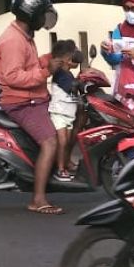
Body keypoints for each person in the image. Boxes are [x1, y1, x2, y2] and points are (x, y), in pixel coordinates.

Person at [0, 0, 64, 215]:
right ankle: (38, 199)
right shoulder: (14, 40)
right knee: (50, 142)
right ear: (31, 14)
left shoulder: (24, 36)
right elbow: (12, 77)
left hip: (34, 98)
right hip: (22, 102)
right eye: (42, 14)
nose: (45, 19)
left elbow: (28, 67)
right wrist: (46, 72)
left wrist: (49, 60)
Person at [48, 39, 82, 182]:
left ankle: (65, 164)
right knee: (62, 141)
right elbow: (71, 87)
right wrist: (82, 83)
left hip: (68, 114)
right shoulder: (61, 74)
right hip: (59, 113)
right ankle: (60, 169)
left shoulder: (68, 74)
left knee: (67, 141)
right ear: (68, 59)